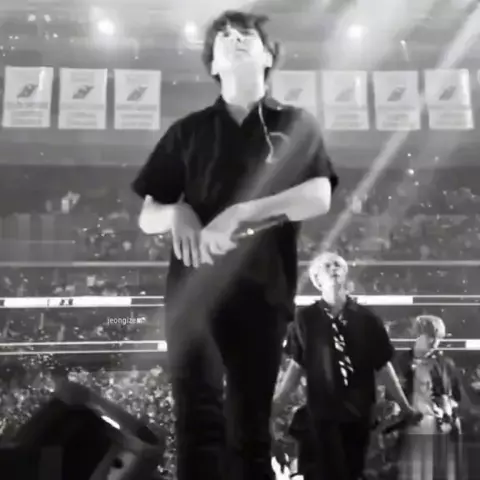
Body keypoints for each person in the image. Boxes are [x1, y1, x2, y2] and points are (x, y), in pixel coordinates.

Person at [131, 10, 338, 480]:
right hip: (192, 293)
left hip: (263, 291)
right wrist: (176, 213)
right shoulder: (188, 132)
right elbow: (148, 214)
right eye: (223, 36)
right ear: (213, 65)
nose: (234, 38)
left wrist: (242, 212)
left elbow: (318, 196)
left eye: (246, 34)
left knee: (248, 430)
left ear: (267, 57)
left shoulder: (294, 123)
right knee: (197, 424)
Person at [271, 252, 421, 480]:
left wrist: (405, 406)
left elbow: (383, 365)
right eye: (327, 266)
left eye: (338, 265)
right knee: (327, 471)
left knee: (352, 471)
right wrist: (278, 403)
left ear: (345, 274)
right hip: (322, 412)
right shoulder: (305, 318)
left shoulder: (367, 318)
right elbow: (297, 366)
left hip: (359, 411)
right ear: (317, 280)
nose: (334, 268)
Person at [394, 314, 466, 480]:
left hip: (440, 429)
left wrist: (448, 412)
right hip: (411, 428)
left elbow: (456, 396)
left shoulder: (446, 365)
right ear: (417, 335)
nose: (435, 342)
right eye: (431, 336)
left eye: (439, 338)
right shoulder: (400, 362)